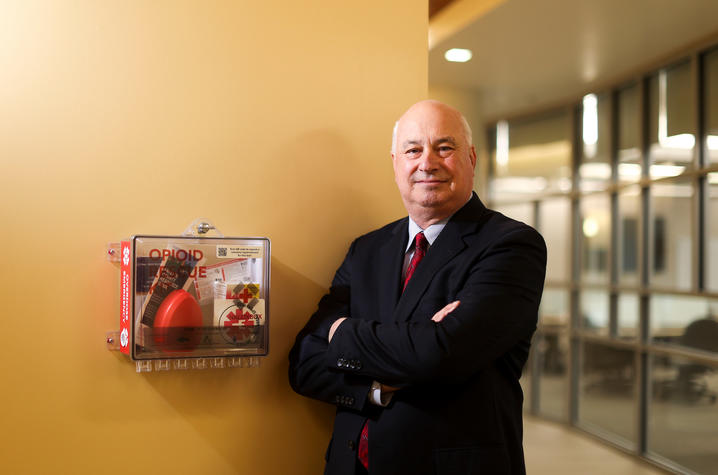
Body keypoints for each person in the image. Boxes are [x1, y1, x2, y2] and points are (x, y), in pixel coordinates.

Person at [289, 100, 546, 475]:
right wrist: (378, 386)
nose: (427, 162)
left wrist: (339, 332)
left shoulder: (511, 245)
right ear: (395, 163)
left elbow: (440, 353)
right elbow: (304, 364)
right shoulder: (367, 250)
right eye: (413, 150)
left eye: (444, 147)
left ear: (471, 158)